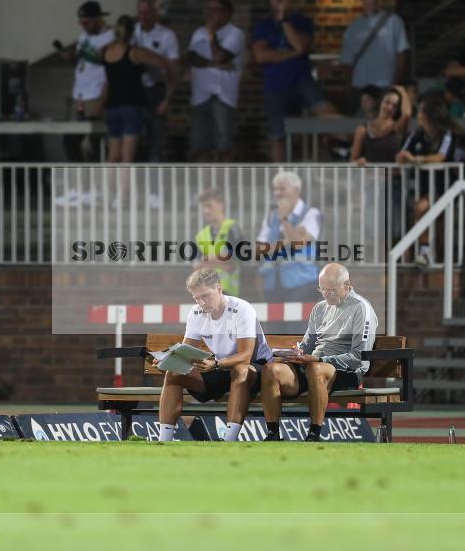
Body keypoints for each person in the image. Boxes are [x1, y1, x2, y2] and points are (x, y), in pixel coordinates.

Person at [260, 263, 378, 442]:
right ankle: (273, 433)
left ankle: (314, 433)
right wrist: (298, 353)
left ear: (346, 285)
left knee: (316, 369)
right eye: (322, 290)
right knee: (270, 370)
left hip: (346, 371)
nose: (326, 294)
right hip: (313, 365)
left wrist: (318, 359)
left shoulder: (361, 308)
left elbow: (359, 357)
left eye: (331, 290)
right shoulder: (320, 308)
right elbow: (308, 345)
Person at [157, 268, 272, 442]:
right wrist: (166, 360)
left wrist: (216, 365)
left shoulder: (242, 309)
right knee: (173, 374)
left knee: (240, 370)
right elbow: (185, 351)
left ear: (219, 288)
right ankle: (163, 440)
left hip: (256, 370)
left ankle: (229, 440)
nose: (201, 302)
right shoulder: (195, 313)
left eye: (205, 296)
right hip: (221, 368)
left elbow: (245, 356)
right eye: (196, 298)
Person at [253, 0, 338, 162]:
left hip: (301, 80)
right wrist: (292, 54)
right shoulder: (263, 25)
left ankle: (347, 152)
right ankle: (280, 176)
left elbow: (300, 45)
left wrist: (284, 20)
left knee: (328, 115)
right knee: (278, 135)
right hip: (275, 85)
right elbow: (261, 56)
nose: (278, 0)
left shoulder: (302, 22)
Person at [395, 93, 460, 266]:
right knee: (426, 213)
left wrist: (417, 159)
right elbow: (402, 154)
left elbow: (441, 157)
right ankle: (426, 253)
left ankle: (427, 253)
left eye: (421, 112)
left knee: (427, 212)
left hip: (445, 186)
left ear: (430, 114)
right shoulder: (416, 134)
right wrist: (405, 158)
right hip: (424, 185)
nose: (418, 115)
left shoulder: (447, 134)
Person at [101, 15, 176, 164]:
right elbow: (164, 62)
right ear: (132, 32)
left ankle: (108, 181)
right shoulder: (135, 52)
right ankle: (125, 181)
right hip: (130, 106)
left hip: (112, 106)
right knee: (127, 156)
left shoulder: (106, 50)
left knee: (113, 155)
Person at [187, 0, 246, 162]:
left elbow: (220, 56)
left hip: (223, 96)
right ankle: (206, 179)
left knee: (223, 146)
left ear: (227, 12)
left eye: (216, 10)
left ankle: (223, 179)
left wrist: (212, 34)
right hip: (200, 95)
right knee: (200, 146)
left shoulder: (236, 34)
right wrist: (214, 64)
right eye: (208, 10)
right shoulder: (199, 33)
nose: (211, 14)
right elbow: (191, 58)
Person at [340, 0, 410, 113]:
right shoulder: (354, 27)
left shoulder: (394, 22)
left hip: (385, 84)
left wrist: (395, 83)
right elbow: (346, 61)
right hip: (360, 85)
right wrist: (349, 85)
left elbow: (401, 55)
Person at [256, 171, 321, 303]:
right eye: (275, 189)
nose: (277, 193)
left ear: (297, 189)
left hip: (302, 284)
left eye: (282, 188)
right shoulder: (271, 217)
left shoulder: (311, 214)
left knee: (298, 318)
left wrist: (284, 219)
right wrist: (286, 241)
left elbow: (298, 244)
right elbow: (259, 250)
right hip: (272, 283)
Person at [62, 0, 114, 161]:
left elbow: (113, 69)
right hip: (80, 95)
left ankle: (102, 175)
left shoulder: (111, 36)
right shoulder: (84, 35)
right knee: (70, 140)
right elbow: (81, 57)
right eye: (81, 23)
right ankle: (80, 175)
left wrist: (103, 100)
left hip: (96, 94)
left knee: (96, 141)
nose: (84, 26)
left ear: (98, 18)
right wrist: (71, 56)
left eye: (87, 23)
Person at [132, 0, 180, 164]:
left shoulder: (167, 35)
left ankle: (154, 179)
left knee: (155, 141)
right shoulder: (132, 32)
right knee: (133, 141)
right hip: (134, 90)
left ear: (155, 13)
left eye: (147, 13)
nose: (143, 17)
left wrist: (167, 99)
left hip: (156, 90)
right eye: (140, 13)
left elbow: (174, 70)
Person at [194, 187, 244, 297]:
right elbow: (196, 267)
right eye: (203, 207)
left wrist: (208, 260)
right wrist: (222, 260)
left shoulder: (232, 228)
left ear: (222, 204)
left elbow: (237, 258)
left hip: (230, 294)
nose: (206, 211)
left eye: (209, 206)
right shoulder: (201, 235)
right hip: (208, 293)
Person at [349, 85, 412, 164]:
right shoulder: (363, 129)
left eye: (395, 106)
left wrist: (402, 91)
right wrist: (359, 162)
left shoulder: (397, 127)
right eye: (387, 102)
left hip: (391, 172)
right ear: (380, 102)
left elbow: (406, 114)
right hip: (371, 171)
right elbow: (353, 159)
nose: (390, 108)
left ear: (398, 110)